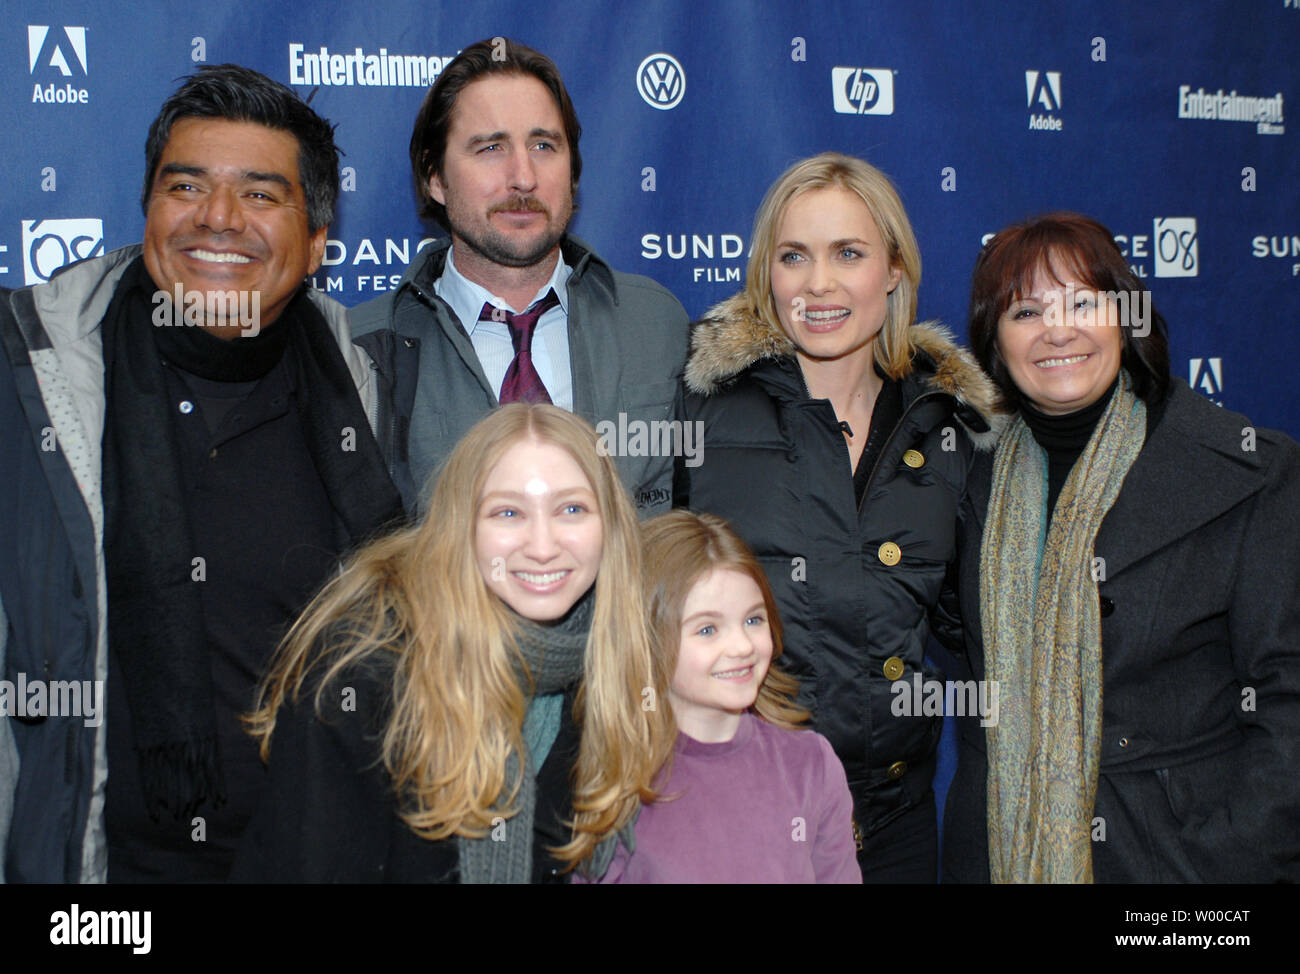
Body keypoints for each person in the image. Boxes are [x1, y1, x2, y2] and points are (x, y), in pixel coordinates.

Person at [0, 65, 403, 883]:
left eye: (260, 195)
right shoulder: (30, 383)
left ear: (319, 240)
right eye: (186, 186)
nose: (217, 219)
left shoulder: (372, 395)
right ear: (148, 209)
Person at [942, 211, 1300, 883]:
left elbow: (1290, 702)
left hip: (1176, 868)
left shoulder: (1248, 472)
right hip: (997, 855)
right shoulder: (968, 475)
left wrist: (1223, 861)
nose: (1057, 330)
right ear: (996, 343)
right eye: (1025, 312)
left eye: (1083, 301)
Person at [675, 152, 1003, 883]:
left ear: (893, 269)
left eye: (847, 254)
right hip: (737, 811)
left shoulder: (951, 425)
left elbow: (972, 623)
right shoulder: (700, 407)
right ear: (768, 273)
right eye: (794, 256)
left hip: (898, 821)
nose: (818, 283)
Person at [236, 404, 672, 882]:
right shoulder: (363, 674)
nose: (543, 546)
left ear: (611, 525)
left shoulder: (606, 658)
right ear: (461, 526)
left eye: (572, 509)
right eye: (508, 512)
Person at [350, 37, 689, 515]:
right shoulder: (362, 350)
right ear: (435, 178)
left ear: (572, 170)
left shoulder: (654, 323)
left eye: (544, 145)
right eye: (491, 147)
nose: (524, 177)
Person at [581, 511, 861, 883]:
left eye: (753, 620)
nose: (742, 646)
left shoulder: (811, 765)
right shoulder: (613, 779)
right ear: (644, 641)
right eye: (708, 629)